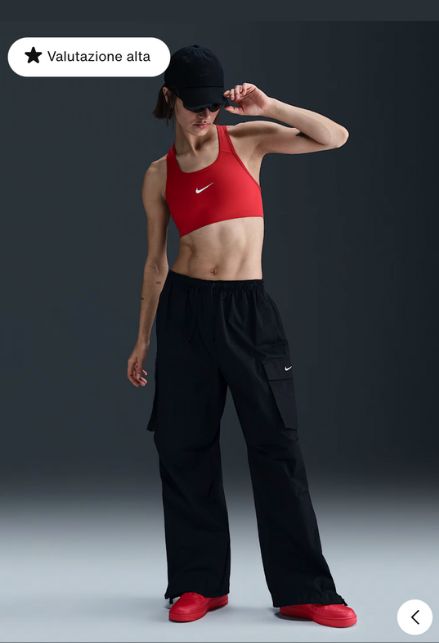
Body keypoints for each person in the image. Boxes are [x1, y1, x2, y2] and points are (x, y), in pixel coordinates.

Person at [127, 44, 357, 628]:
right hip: (185, 313)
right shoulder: (159, 174)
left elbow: (334, 137)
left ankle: (306, 589)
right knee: (183, 447)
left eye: (212, 105)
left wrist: (270, 105)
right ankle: (198, 583)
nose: (205, 115)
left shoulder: (247, 140)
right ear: (169, 97)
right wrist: (143, 339)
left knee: (276, 446)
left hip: (247, 312)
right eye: (194, 105)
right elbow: (155, 263)